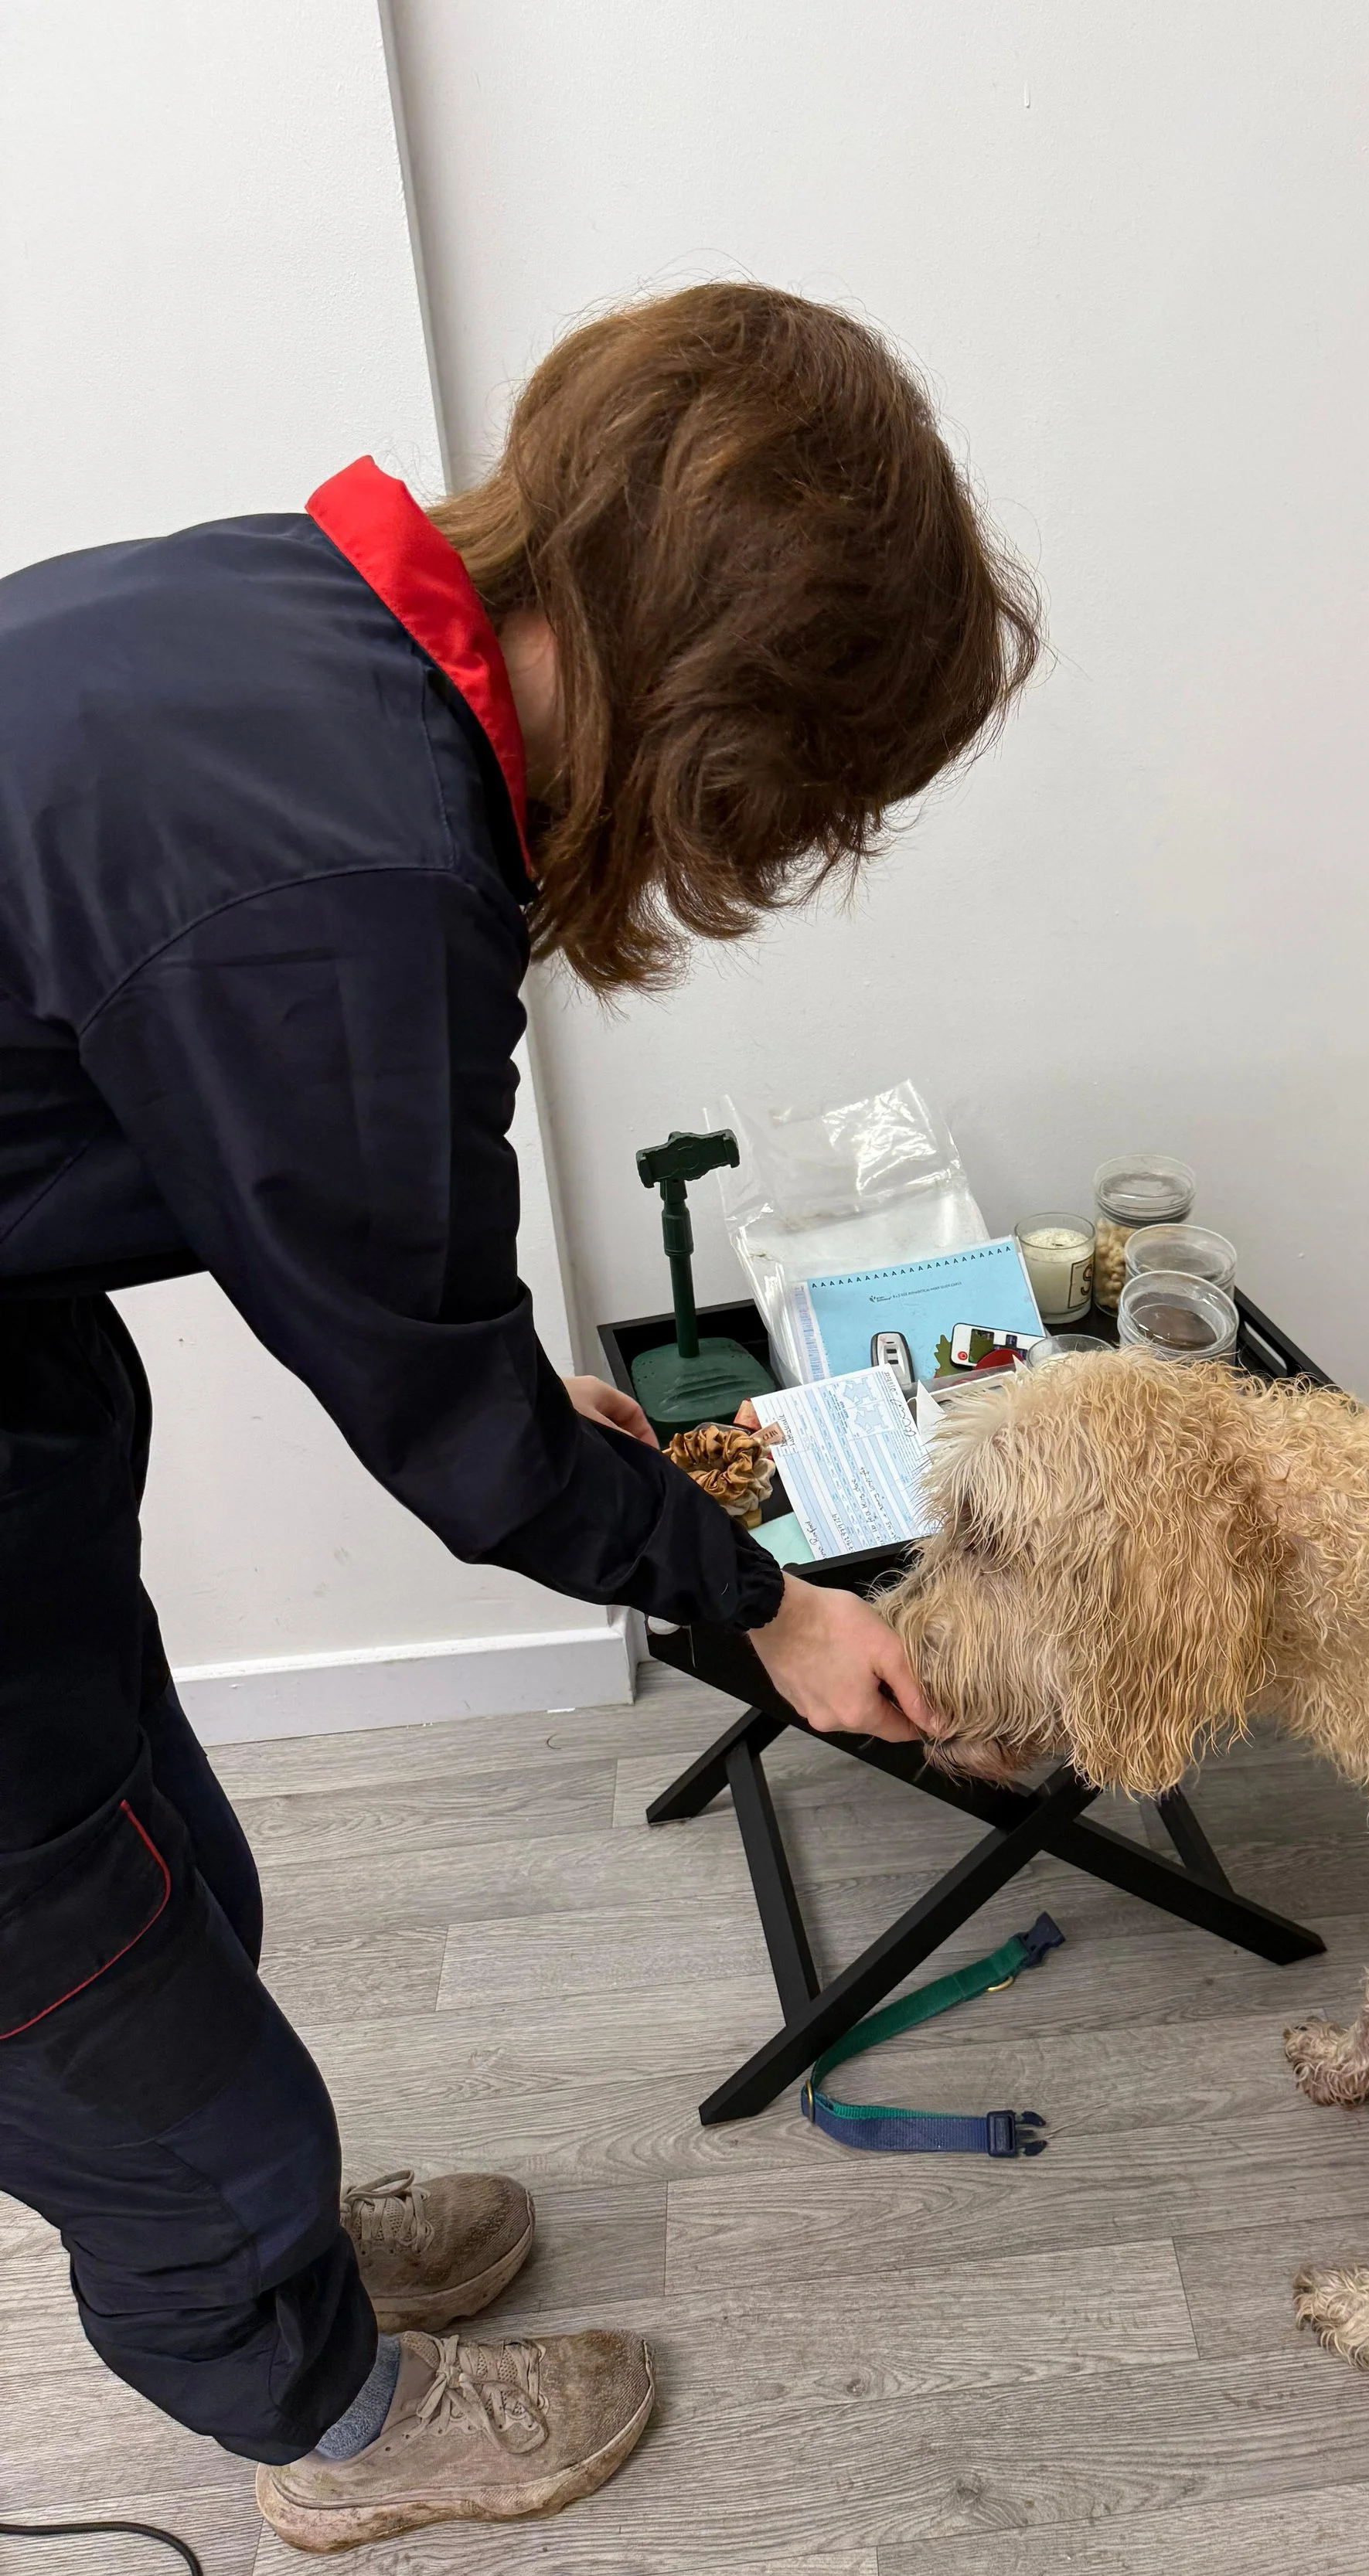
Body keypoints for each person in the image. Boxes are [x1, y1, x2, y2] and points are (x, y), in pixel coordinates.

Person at [0, 284, 1039, 2550]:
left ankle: (280, 2240)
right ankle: (334, 2422)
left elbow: (375, 1278)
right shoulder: (351, 872)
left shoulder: (295, 632)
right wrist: (764, 1608)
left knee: (143, 1832)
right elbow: (447, 1436)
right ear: (739, 730)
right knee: (70, 1967)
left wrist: (485, 1372)